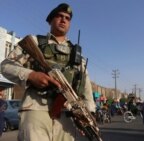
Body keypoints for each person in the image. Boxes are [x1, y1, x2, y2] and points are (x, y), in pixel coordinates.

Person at [1, 3, 96, 141]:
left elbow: (86, 86)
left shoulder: (76, 55)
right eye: (59, 16)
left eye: (67, 18)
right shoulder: (35, 42)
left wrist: (88, 114)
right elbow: (5, 66)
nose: (64, 20)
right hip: (36, 110)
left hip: (67, 115)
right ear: (51, 20)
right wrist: (31, 75)